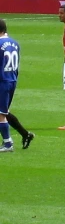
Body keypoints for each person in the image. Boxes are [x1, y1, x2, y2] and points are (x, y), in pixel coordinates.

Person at [0, 19, 34, 151]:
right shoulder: (15, 43)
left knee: (1, 114)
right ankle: (25, 134)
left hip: (2, 81)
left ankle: (8, 143)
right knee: (4, 111)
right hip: (11, 80)